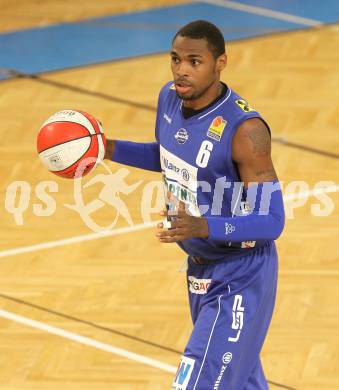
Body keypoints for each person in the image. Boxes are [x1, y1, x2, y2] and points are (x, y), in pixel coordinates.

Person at [104, 20, 285, 390]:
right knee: (241, 381)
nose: (181, 70)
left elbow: (272, 220)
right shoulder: (169, 99)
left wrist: (205, 226)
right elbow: (168, 154)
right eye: (175, 59)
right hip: (199, 272)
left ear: (220, 63)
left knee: (198, 383)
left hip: (241, 275)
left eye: (194, 61)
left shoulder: (246, 131)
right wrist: (107, 149)